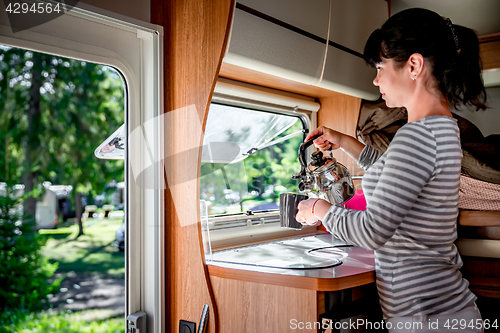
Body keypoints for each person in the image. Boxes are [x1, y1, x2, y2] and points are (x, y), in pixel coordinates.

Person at [296, 8, 487, 333]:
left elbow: (372, 232)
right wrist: (344, 141)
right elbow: (396, 173)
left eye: (380, 67)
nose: (376, 79)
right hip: (445, 310)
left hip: (429, 320)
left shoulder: (416, 136)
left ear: (413, 65)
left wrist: (319, 208)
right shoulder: (443, 128)